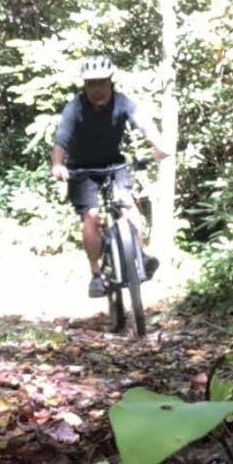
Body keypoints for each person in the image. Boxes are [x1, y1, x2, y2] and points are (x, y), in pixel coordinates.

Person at [50, 55, 169, 298]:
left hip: (113, 164)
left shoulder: (122, 102)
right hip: (82, 168)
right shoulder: (75, 108)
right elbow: (62, 138)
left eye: (101, 83)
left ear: (110, 83)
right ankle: (96, 274)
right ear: (85, 86)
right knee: (92, 217)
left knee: (128, 206)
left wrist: (159, 145)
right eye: (91, 84)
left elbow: (143, 123)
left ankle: (139, 255)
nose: (97, 89)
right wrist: (57, 164)